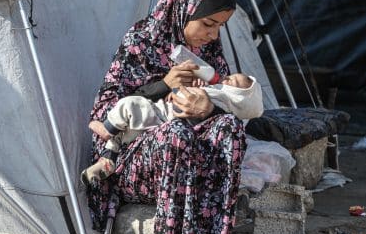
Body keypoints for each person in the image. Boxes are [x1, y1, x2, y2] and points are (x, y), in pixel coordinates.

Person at [87, 0, 248, 234]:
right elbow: (106, 113)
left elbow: (227, 98)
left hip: (186, 154)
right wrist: (164, 83)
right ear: (184, 8)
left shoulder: (208, 51)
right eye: (208, 24)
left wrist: (208, 107)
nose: (213, 34)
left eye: (219, 27)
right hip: (134, 161)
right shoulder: (142, 40)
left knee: (229, 128)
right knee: (176, 133)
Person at [82, 72, 262, 185]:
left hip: (161, 118)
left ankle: (107, 129)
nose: (227, 77)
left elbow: (183, 101)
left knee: (130, 104)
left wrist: (178, 90)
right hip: (156, 131)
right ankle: (107, 161)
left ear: (239, 97)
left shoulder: (218, 98)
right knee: (125, 133)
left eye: (234, 82)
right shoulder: (220, 102)